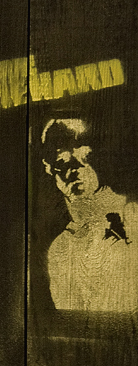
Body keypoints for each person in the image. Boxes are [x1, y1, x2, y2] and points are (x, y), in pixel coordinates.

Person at [42, 117, 138, 312]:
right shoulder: (60, 249)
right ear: (49, 168)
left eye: (85, 158)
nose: (75, 170)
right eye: (62, 163)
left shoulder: (133, 219)